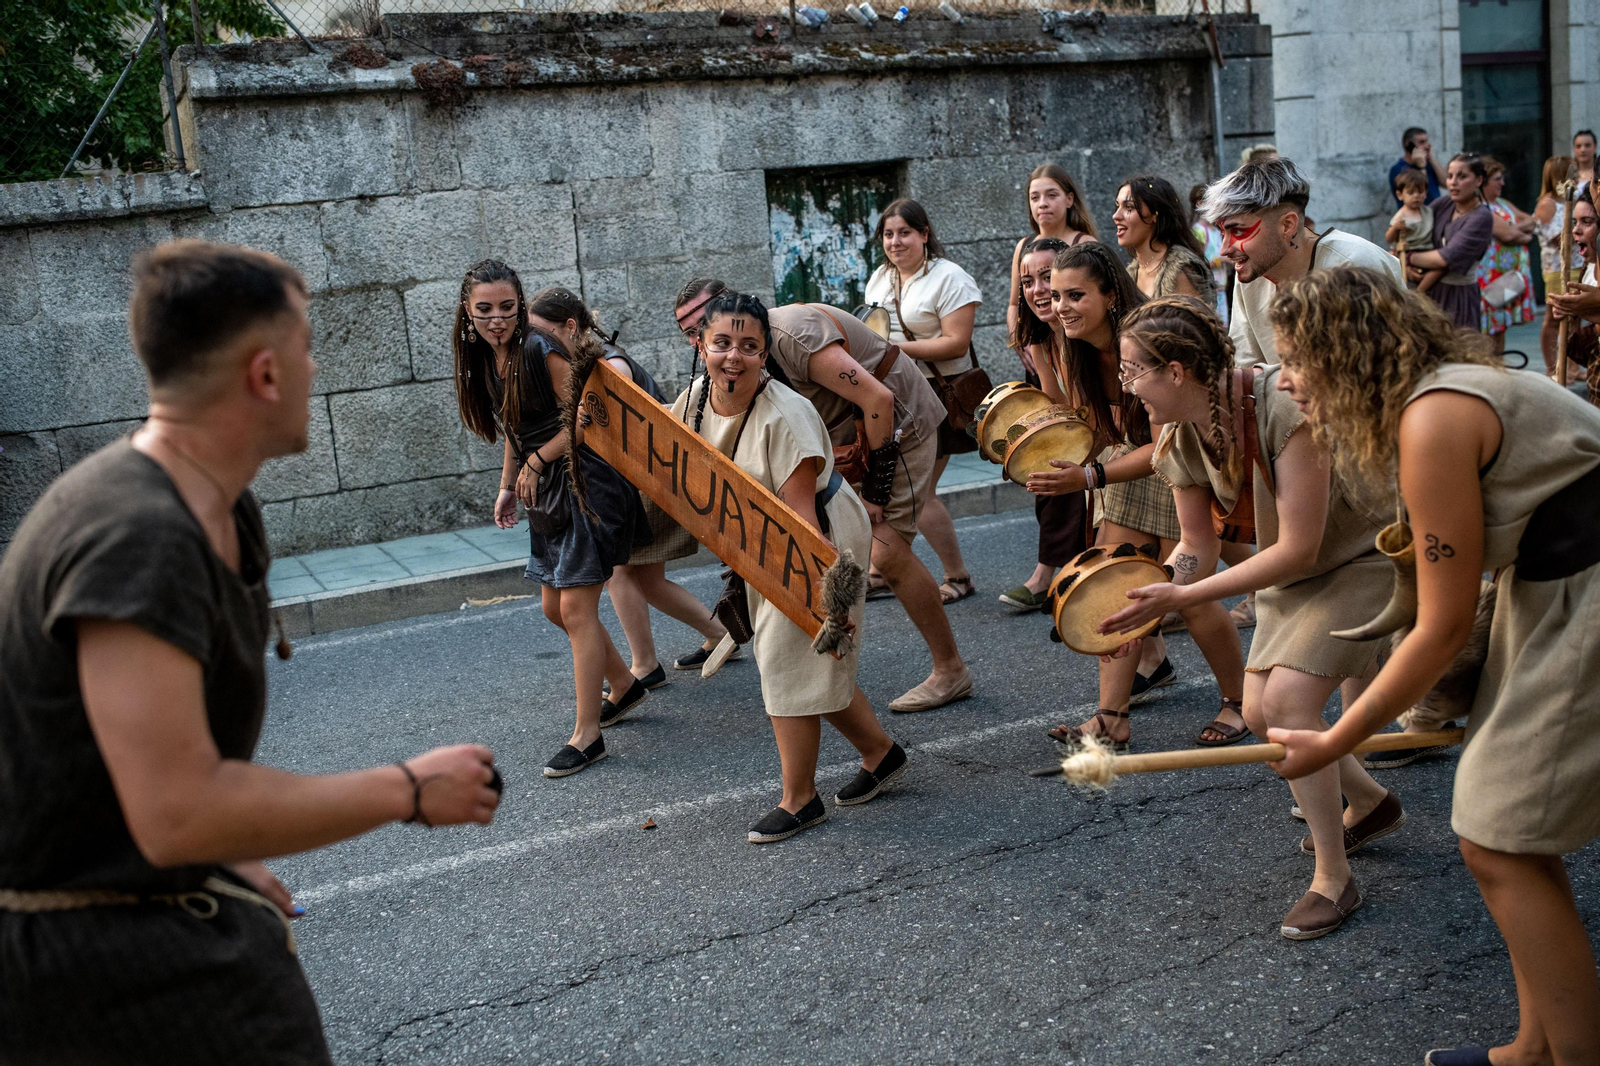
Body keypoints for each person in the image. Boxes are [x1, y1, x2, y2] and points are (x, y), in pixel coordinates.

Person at [0, 240, 501, 1063]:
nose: (314, 369)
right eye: (307, 347)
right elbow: (176, 811)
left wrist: (225, 854)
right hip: (92, 967)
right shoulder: (137, 536)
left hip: (162, 917)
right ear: (265, 374)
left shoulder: (216, 507)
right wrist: (408, 789)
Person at [1268, 265, 1600, 1066]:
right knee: (1511, 837)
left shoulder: (1435, 418)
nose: (1284, 380)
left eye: (1296, 360)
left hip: (1584, 595)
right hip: (1554, 593)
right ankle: (1535, 1046)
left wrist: (1336, 739)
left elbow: (1441, 628)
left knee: (1499, 844)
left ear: (1345, 352)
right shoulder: (1442, 395)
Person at [1100, 294, 1401, 940]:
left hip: (1363, 559)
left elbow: (1299, 548)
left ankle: (1333, 878)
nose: (1126, 387)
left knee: (1286, 707)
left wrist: (1181, 599)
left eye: (1132, 371)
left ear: (1176, 371)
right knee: (1261, 716)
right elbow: (1195, 546)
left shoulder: (1280, 405)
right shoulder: (1177, 435)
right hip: (1294, 573)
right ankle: (1370, 802)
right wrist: (1147, 599)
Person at [669, 291, 907, 843]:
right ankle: (881, 752)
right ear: (700, 345)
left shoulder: (786, 416)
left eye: (749, 346)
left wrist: (828, 600)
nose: (734, 357)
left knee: (787, 656)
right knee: (810, 661)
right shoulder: (696, 398)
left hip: (818, 533)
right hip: (758, 533)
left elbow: (803, 523)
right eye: (722, 343)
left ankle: (800, 799)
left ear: (765, 353)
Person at [675, 280, 973, 714]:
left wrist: (876, 491)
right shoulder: (726, 361)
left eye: (700, 321)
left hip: (896, 422)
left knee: (888, 549)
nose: (697, 338)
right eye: (690, 331)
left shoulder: (791, 334)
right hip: (843, 433)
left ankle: (951, 669)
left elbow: (878, 398)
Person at [1029, 241, 1248, 747]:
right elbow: (1087, 427)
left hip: (1171, 459)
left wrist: (1089, 478)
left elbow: (1162, 446)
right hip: (1128, 465)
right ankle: (1111, 717)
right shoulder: (1074, 346)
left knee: (1192, 599)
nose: (1059, 306)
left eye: (1075, 295)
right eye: (1055, 296)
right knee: (1115, 584)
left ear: (1110, 295)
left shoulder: (1143, 341)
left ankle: (1239, 701)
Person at [454, 262, 651, 778]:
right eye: (484, 310)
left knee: (576, 609)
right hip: (545, 489)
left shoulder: (538, 348)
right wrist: (507, 486)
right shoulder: (487, 357)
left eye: (506, 307)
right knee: (553, 608)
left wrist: (538, 462)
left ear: (520, 304)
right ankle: (625, 686)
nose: (496, 319)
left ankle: (588, 736)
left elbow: (585, 418)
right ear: (467, 312)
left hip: (587, 481)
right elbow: (515, 430)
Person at [522, 288, 729, 702]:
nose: (537, 345)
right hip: (636, 476)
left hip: (645, 477)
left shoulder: (608, 364)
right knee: (636, 575)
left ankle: (657, 660)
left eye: (543, 334)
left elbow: (613, 425)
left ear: (569, 327)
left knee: (627, 572)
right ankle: (709, 638)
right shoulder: (585, 362)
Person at [862, 198, 981, 605]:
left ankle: (958, 576)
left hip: (938, 395)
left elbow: (957, 343)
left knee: (921, 491)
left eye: (905, 233)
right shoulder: (880, 278)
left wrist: (894, 351)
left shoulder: (950, 278)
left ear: (924, 234)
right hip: (897, 396)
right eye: (888, 234)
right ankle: (880, 570)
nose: (895, 242)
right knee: (894, 487)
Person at [1200, 156, 1404, 368]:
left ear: (1287, 225)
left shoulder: (1355, 264)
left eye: (1238, 231)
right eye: (1222, 233)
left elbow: (1379, 370)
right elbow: (1244, 366)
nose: (1224, 249)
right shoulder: (1252, 274)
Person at [999, 235, 1090, 611]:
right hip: (1087, 430)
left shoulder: (1084, 330)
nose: (1037, 290)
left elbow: (1088, 413)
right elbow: (1059, 410)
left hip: (1122, 434)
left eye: (1046, 277)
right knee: (1046, 466)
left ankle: (1053, 575)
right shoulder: (1039, 337)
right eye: (1027, 281)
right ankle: (1054, 573)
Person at [1005, 162, 1099, 375]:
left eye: (1051, 195)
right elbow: (1014, 303)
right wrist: (1018, 340)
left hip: (1077, 349)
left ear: (1069, 199)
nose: (1042, 204)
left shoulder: (1084, 244)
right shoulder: (1024, 246)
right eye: (1034, 197)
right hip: (1039, 350)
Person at [1405, 153, 1495, 332]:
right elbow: (1415, 231)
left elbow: (1446, 258)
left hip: (1458, 297)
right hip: (1429, 295)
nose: (1453, 183)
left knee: (1459, 344)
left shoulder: (1481, 217)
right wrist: (1405, 265)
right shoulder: (1443, 204)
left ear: (1478, 180)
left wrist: (1407, 257)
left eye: (1462, 177)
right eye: (1450, 176)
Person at [1115, 174, 1215, 306]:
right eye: (1117, 206)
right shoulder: (1131, 273)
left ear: (1155, 214)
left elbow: (1195, 318)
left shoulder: (1179, 271)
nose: (1116, 216)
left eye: (1129, 207)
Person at [1476, 156, 1538, 356]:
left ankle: (1499, 364)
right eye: (1497, 179)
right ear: (1483, 182)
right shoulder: (1482, 207)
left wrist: (1513, 228)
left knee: (1501, 327)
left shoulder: (1503, 203)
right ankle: (1490, 366)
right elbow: (1507, 235)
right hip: (1491, 277)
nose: (1502, 183)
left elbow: (1532, 222)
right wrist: (1515, 231)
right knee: (1489, 327)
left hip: (1509, 276)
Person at [1547, 187, 1600, 401]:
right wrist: (1571, 311)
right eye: (1574, 222)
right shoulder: (1588, 268)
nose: (1576, 231)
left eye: (1587, 222)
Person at [1536, 155, 1586, 378]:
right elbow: (1555, 238)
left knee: (1574, 318)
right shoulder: (1547, 204)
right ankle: (1552, 367)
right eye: (1571, 172)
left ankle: (1572, 366)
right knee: (1554, 318)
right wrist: (1581, 230)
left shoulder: (1572, 200)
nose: (1575, 175)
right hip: (1557, 268)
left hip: (1576, 263)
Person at [1387, 168, 1443, 293]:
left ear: (1426, 193)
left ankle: (1420, 290)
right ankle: (1417, 294)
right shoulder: (1401, 216)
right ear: (1400, 195)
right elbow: (1389, 238)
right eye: (1411, 192)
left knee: (1440, 268)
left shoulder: (1427, 211)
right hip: (1409, 251)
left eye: (1420, 192)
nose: (1416, 196)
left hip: (1427, 250)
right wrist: (1395, 228)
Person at [1190, 182, 1230, 321]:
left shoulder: (1216, 230)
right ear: (1200, 203)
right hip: (1208, 291)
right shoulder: (1198, 231)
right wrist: (1221, 260)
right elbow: (1198, 265)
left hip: (1221, 289)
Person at [1389, 126, 1445, 206]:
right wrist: (1421, 167)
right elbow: (1422, 194)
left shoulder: (1428, 164)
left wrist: (1431, 158)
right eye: (1422, 142)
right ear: (1408, 145)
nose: (1426, 146)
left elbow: (1445, 183)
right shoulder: (1399, 169)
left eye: (1427, 142)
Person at [1574, 129, 1596, 193]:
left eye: (1587, 145)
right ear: (1574, 149)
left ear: (1595, 147)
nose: (1582, 150)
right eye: (1578, 146)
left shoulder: (1598, 171)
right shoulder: (1568, 173)